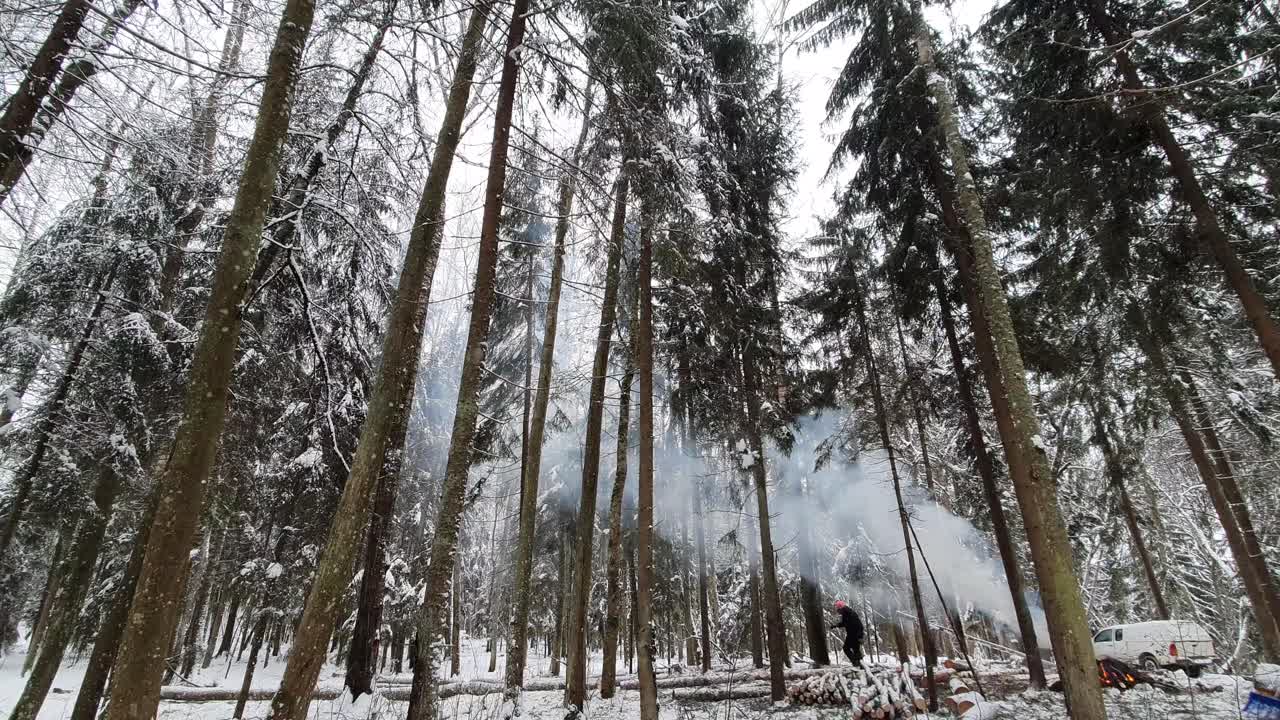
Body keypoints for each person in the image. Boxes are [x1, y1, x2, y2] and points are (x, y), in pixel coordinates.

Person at [830, 600, 864, 666]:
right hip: (854, 634)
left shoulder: (847, 613)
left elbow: (859, 625)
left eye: (837, 608)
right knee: (856, 650)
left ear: (840, 608)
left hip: (854, 635)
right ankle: (860, 664)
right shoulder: (847, 612)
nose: (837, 611)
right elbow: (845, 623)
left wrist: (860, 636)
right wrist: (835, 625)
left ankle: (856, 662)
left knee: (846, 648)